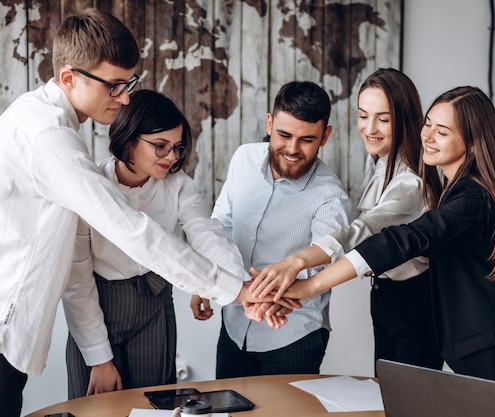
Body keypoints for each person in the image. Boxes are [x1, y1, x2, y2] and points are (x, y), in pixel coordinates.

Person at [0, 9, 269, 417]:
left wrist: (230, 282)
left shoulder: (47, 123)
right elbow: (132, 230)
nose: (126, 98)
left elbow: (199, 232)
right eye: (114, 86)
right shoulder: (48, 138)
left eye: (128, 84)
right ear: (69, 78)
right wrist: (236, 290)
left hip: (0, 328)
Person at [274, 86, 495, 417]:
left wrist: (309, 283)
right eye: (427, 123)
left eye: (442, 131)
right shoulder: (464, 188)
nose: (427, 136)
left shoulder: (473, 197)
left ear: (472, 143)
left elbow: (404, 239)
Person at [249, 68, 443, 372]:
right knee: (387, 394)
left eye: (383, 118)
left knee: (411, 403)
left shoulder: (411, 184)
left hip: (415, 302)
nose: (369, 128)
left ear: (404, 120)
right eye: (363, 115)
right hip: (385, 295)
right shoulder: (378, 161)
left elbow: (362, 232)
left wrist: (297, 263)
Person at [64, 89, 252, 398]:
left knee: (156, 405)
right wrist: (99, 358)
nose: (172, 157)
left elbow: (206, 234)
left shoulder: (179, 186)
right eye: (160, 146)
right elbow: (77, 278)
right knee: (93, 408)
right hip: (96, 306)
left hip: (154, 307)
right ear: (128, 139)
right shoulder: (93, 185)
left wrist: (242, 285)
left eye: (177, 148)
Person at [190, 81, 353, 378]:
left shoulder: (331, 195)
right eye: (284, 135)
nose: (292, 149)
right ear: (269, 123)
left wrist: (272, 299)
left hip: (293, 336)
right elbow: (220, 225)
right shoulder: (243, 159)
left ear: (325, 136)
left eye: (306, 139)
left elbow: (324, 258)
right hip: (234, 328)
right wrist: (206, 281)